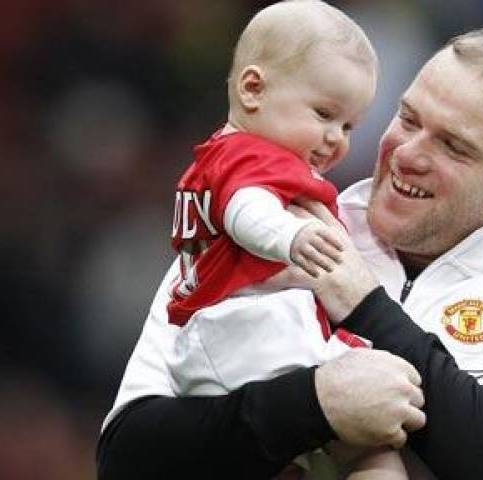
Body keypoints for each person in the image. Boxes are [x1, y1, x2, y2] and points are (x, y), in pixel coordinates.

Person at [97, 25, 483, 480]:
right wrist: (314, 404)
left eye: (455, 147)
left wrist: (367, 308)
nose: (408, 154)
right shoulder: (269, 225)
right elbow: (128, 457)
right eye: (409, 119)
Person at [105, 1, 410, 478]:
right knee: (364, 443)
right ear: (253, 89)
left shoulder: (235, 155)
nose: (336, 139)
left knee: (364, 437)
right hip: (245, 336)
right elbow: (246, 210)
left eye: (348, 126)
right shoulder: (250, 157)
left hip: (238, 337)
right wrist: (293, 236)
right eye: (324, 114)